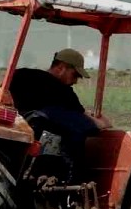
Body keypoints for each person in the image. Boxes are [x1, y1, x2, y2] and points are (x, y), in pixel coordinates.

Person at [9, 49, 111, 177]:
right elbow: (92, 124)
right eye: (75, 75)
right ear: (61, 67)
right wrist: (104, 122)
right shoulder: (63, 92)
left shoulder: (20, 76)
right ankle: (71, 179)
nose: (75, 81)